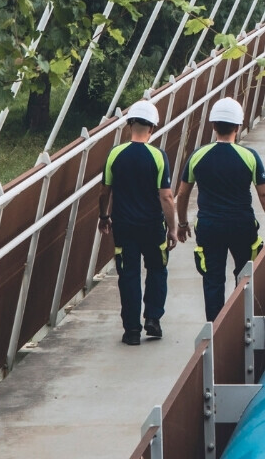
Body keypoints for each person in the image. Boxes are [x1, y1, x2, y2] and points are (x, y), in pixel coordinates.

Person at [176, 97, 265, 321]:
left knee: (213, 279)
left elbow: (182, 194)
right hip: (242, 225)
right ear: (238, 126)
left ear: (213, 126)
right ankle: (242, 321)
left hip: (209, 227)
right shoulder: (249, 156)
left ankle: (214, 330)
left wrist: (182, 223)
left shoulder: (197, 156)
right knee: (245, 275)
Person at [98, 99, 177, 345]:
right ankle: (153, 318)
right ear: (152, 128)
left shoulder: (115, 154)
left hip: (124, 226)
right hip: (153, 227)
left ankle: (131, 330)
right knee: (157, 270)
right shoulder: (158, 156)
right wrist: (172, 228)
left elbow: (104, 192)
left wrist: (104, 217)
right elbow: (166, 196)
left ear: (129, 124)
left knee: (128, 275)